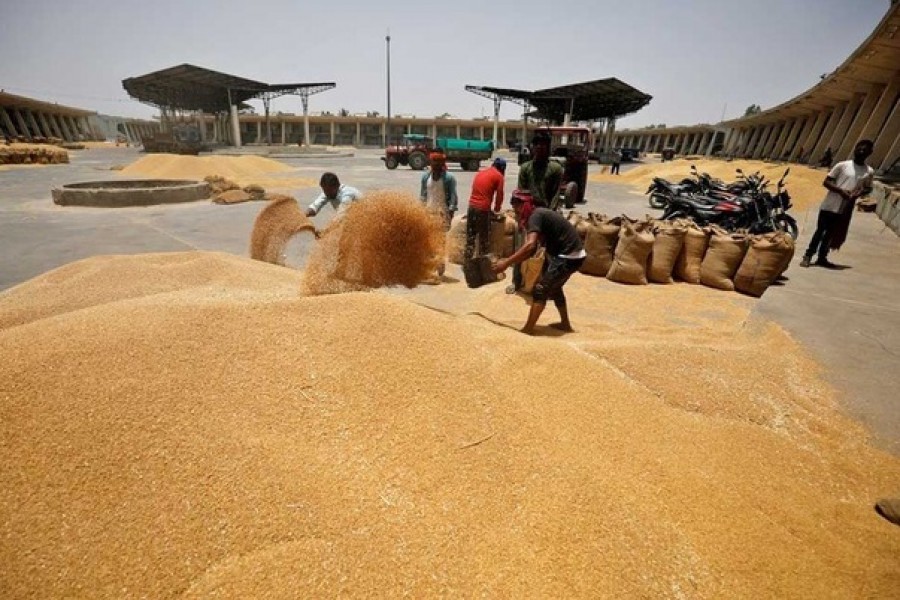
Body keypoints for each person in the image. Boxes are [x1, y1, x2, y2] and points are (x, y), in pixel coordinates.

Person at [493, 192, 586, 335]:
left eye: (517, 207)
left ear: (525, 205)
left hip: (569, 256)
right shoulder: (538, 214)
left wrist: (506, 263)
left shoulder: (535, 216)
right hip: (569, 254)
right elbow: (531, 251)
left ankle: (528, 329)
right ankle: (565, 324)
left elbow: (530, 245)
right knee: (554, 287)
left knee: (541, 289)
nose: (516, 211)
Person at [800, 139, 874, 268]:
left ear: (869, 153)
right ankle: (808, 256)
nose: (861, 152)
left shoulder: (869, 171)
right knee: (820, 231)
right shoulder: (842, 165)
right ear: (855, 149)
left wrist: (859, 192)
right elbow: (827, 182)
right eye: (859, 149)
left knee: (831, 234)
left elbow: (868, 188)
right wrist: (840, 191)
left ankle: (822, 257)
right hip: (830, 205)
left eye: (865, 150)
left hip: (845, 208)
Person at [420, 152, 458, 277]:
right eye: (433, 164)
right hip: (428, 213)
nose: (435, 167)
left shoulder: (449, 178)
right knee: (428, 241)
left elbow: (453, 195)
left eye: (438, 164)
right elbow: (423, 195)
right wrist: (420, 208)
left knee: (440, 241)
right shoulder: (426, 177)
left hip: (442, 214)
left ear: (442, 164)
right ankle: (430, 268)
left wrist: (451, 210)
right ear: (430, 164)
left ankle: (440, 268)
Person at [464, 157, 506, 262]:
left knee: (471, 236)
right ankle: (482, 264)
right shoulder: (499, 176)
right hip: (482, 210)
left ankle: (467, 261)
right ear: (502, 168)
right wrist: (496, 210)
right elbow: (500, 195)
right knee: (484, 238)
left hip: (471, 207)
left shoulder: (481, 173)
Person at [518, 129, 563, 210]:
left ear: (548, 148)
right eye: (536, 145)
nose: (539, 148)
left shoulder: (556, 169)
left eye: (542, 145)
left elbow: (556, 194)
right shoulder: (525, 168)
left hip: (547, 210)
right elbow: (521, 192)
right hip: (529, 209)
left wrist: (549, 214)